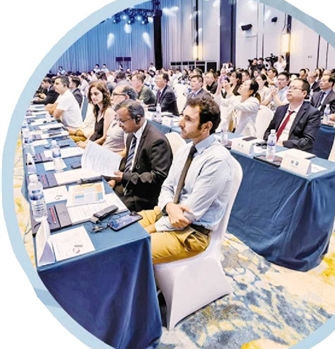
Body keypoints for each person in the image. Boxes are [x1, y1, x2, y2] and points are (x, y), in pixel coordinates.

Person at [137, 96, 234, 264]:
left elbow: (188, 215)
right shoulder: (186, 149)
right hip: (165, 214)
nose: (180, 122)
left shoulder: (218, 161)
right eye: (182, 116)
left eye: (188, 119)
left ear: (206, 127)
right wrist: (169, 206)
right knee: (123, 229)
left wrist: (152, 228)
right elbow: (167, 187)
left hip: (191, 232)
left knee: (132, 251)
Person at [108, 100, 172, 212]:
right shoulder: (131, 134)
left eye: (122, 121)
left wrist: (124, 177)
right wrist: (115, 180)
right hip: (128, 184)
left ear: (138, 119)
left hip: (142, 195)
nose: (119, 125)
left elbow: (158, 177)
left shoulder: (157, 141)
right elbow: (128, 162)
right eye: (117, 120)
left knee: (110, 211)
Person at [264, 78, 320, 152]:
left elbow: (307, 141)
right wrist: (270, 141)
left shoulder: (312, 113)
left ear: (304, 93)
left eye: (294, 88)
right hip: (272, 147)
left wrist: (283, 144)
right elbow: (269, 130)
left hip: (292, 150)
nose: (290, 90)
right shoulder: (281, 109)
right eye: (289, 87)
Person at [77, 81, 115, 146]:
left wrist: (87, 146)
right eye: (91, 94)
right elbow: (95, 132)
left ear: (104, 94)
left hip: (100, 146)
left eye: (96, 94)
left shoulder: (108, 111)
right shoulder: (97, 110)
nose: (93, 97)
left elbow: (105, 138)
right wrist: (85, 142)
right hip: (93, 143)